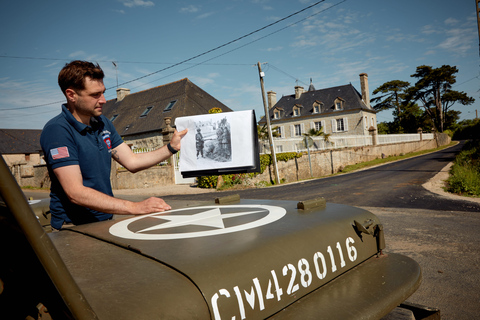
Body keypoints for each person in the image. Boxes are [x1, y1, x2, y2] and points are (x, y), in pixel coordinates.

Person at [40, 60, 187, 230]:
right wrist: (135, 207)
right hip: (73, 228)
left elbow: (132, 161)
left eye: (103, 93)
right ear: (71, 95)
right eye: (95, 95)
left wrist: (171, 147)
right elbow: (75, 192)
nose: (103, 100)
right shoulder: (57, 130)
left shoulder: (103, 123)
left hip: (104, 221)